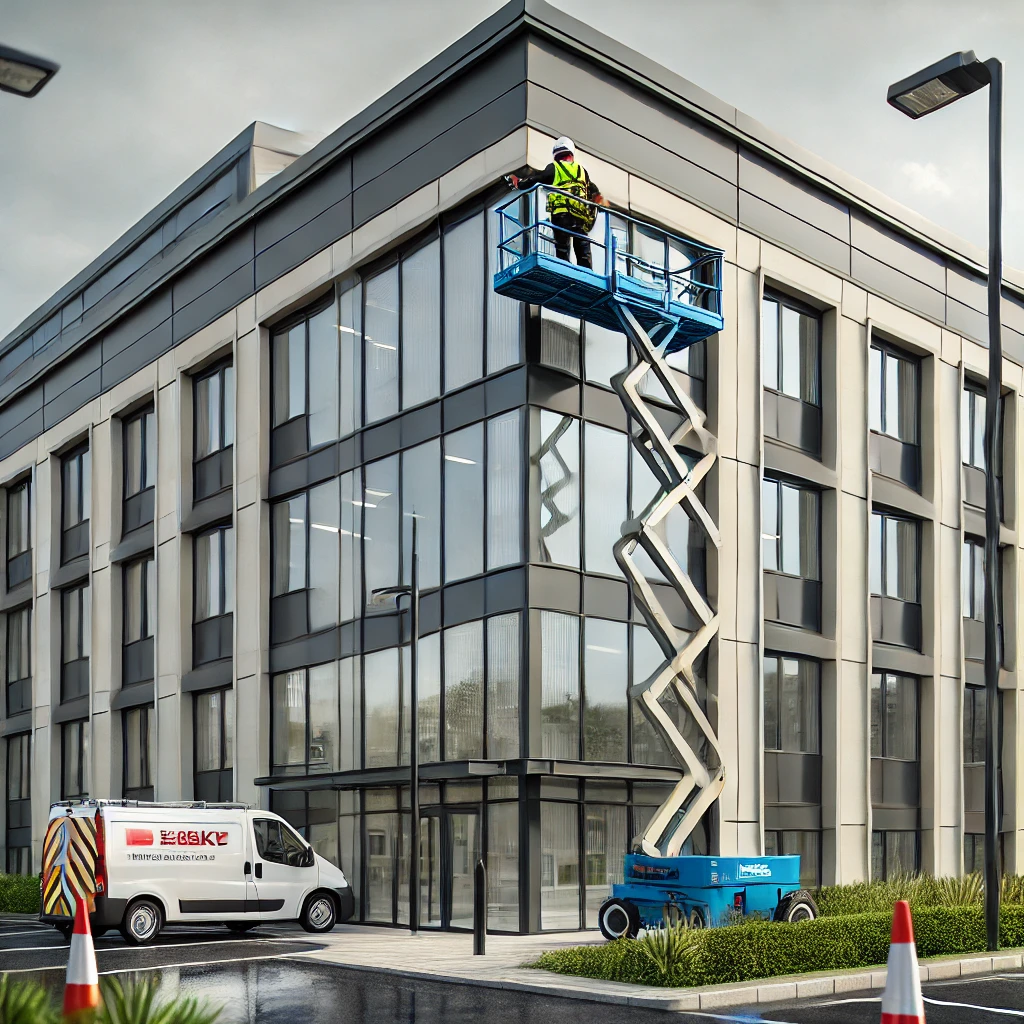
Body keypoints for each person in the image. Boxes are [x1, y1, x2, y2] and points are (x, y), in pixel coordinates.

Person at [509, 137, 610, 269]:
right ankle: (586, 273)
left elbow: (536, 179)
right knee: (583, 251)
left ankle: (565, 268)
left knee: (562, 250)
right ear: (571, 153)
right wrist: (600, 202)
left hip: (561, 215)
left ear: (556, 154)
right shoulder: (582, 171)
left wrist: (518, 182)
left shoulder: (554, 168)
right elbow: (593, 189)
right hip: (580, 217)